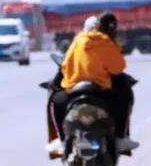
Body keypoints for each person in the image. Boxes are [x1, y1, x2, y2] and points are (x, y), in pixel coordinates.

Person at [49, 12, 139, 156]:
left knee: (55, 101)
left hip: (74, 90)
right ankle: (120, 138)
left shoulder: (78, 40)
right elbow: (118, 68)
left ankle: (62, 140)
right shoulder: (105, 41)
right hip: (100, 90)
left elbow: (65, 65)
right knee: (124, 98)